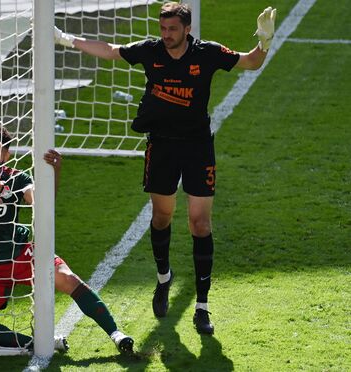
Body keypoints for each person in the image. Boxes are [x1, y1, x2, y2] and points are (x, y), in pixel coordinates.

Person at [54, 2, 276, 334]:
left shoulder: (207, 53)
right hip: (161, 146)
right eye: (163, 28)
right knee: (161, 217)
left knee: (200, 223)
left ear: (187, 29)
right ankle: (163, 278)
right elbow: (111, 51)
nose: (166, 34)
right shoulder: (150, 51)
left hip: (198, 147)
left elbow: (251, 62)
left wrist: (265, 39)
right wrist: (66, 40)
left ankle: (202, 307)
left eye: (172, 29)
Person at [0, 125, 134, 353]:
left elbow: (41, 203)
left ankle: (116, 334)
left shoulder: (17, 178)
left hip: (21, 254)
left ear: (6, 155)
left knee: (68, 279)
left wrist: (55, 172)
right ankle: (40, 344)